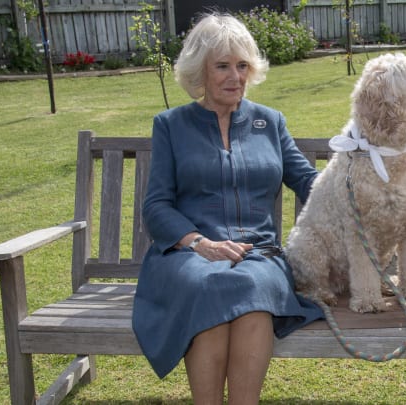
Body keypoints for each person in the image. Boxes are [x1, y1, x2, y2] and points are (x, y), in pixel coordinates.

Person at [131, 12, 323, 405]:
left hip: (259, 254)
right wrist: (200, 243)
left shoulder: (270, 122)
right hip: (188, 255)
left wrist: (351, 182)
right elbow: (156, 205)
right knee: (209, 284)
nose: (235, 77)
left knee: (251, 288)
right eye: (222, 66)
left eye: (242, 66)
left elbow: (308, 181)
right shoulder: (171, 125)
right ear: (199, 69)